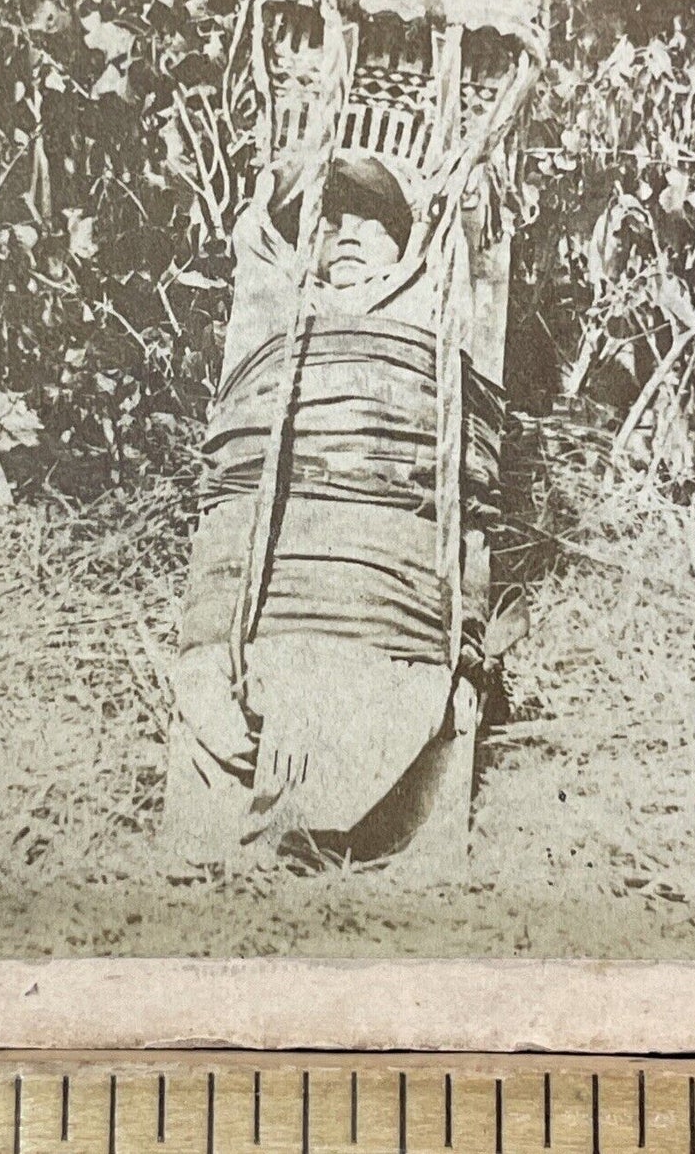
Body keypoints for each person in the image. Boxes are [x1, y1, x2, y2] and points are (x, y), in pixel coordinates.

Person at [159, 145, 504, 871]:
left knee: (374, 689)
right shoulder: (278, 326)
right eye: (330, 220)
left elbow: (462, 495)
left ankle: (322, 816)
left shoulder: (427, 331)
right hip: (277, 591)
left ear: (402, 240)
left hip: (382, 589)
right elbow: (234, 478)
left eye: (369, 221)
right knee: (244, 686)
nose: (345, 235)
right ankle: (269, 809)